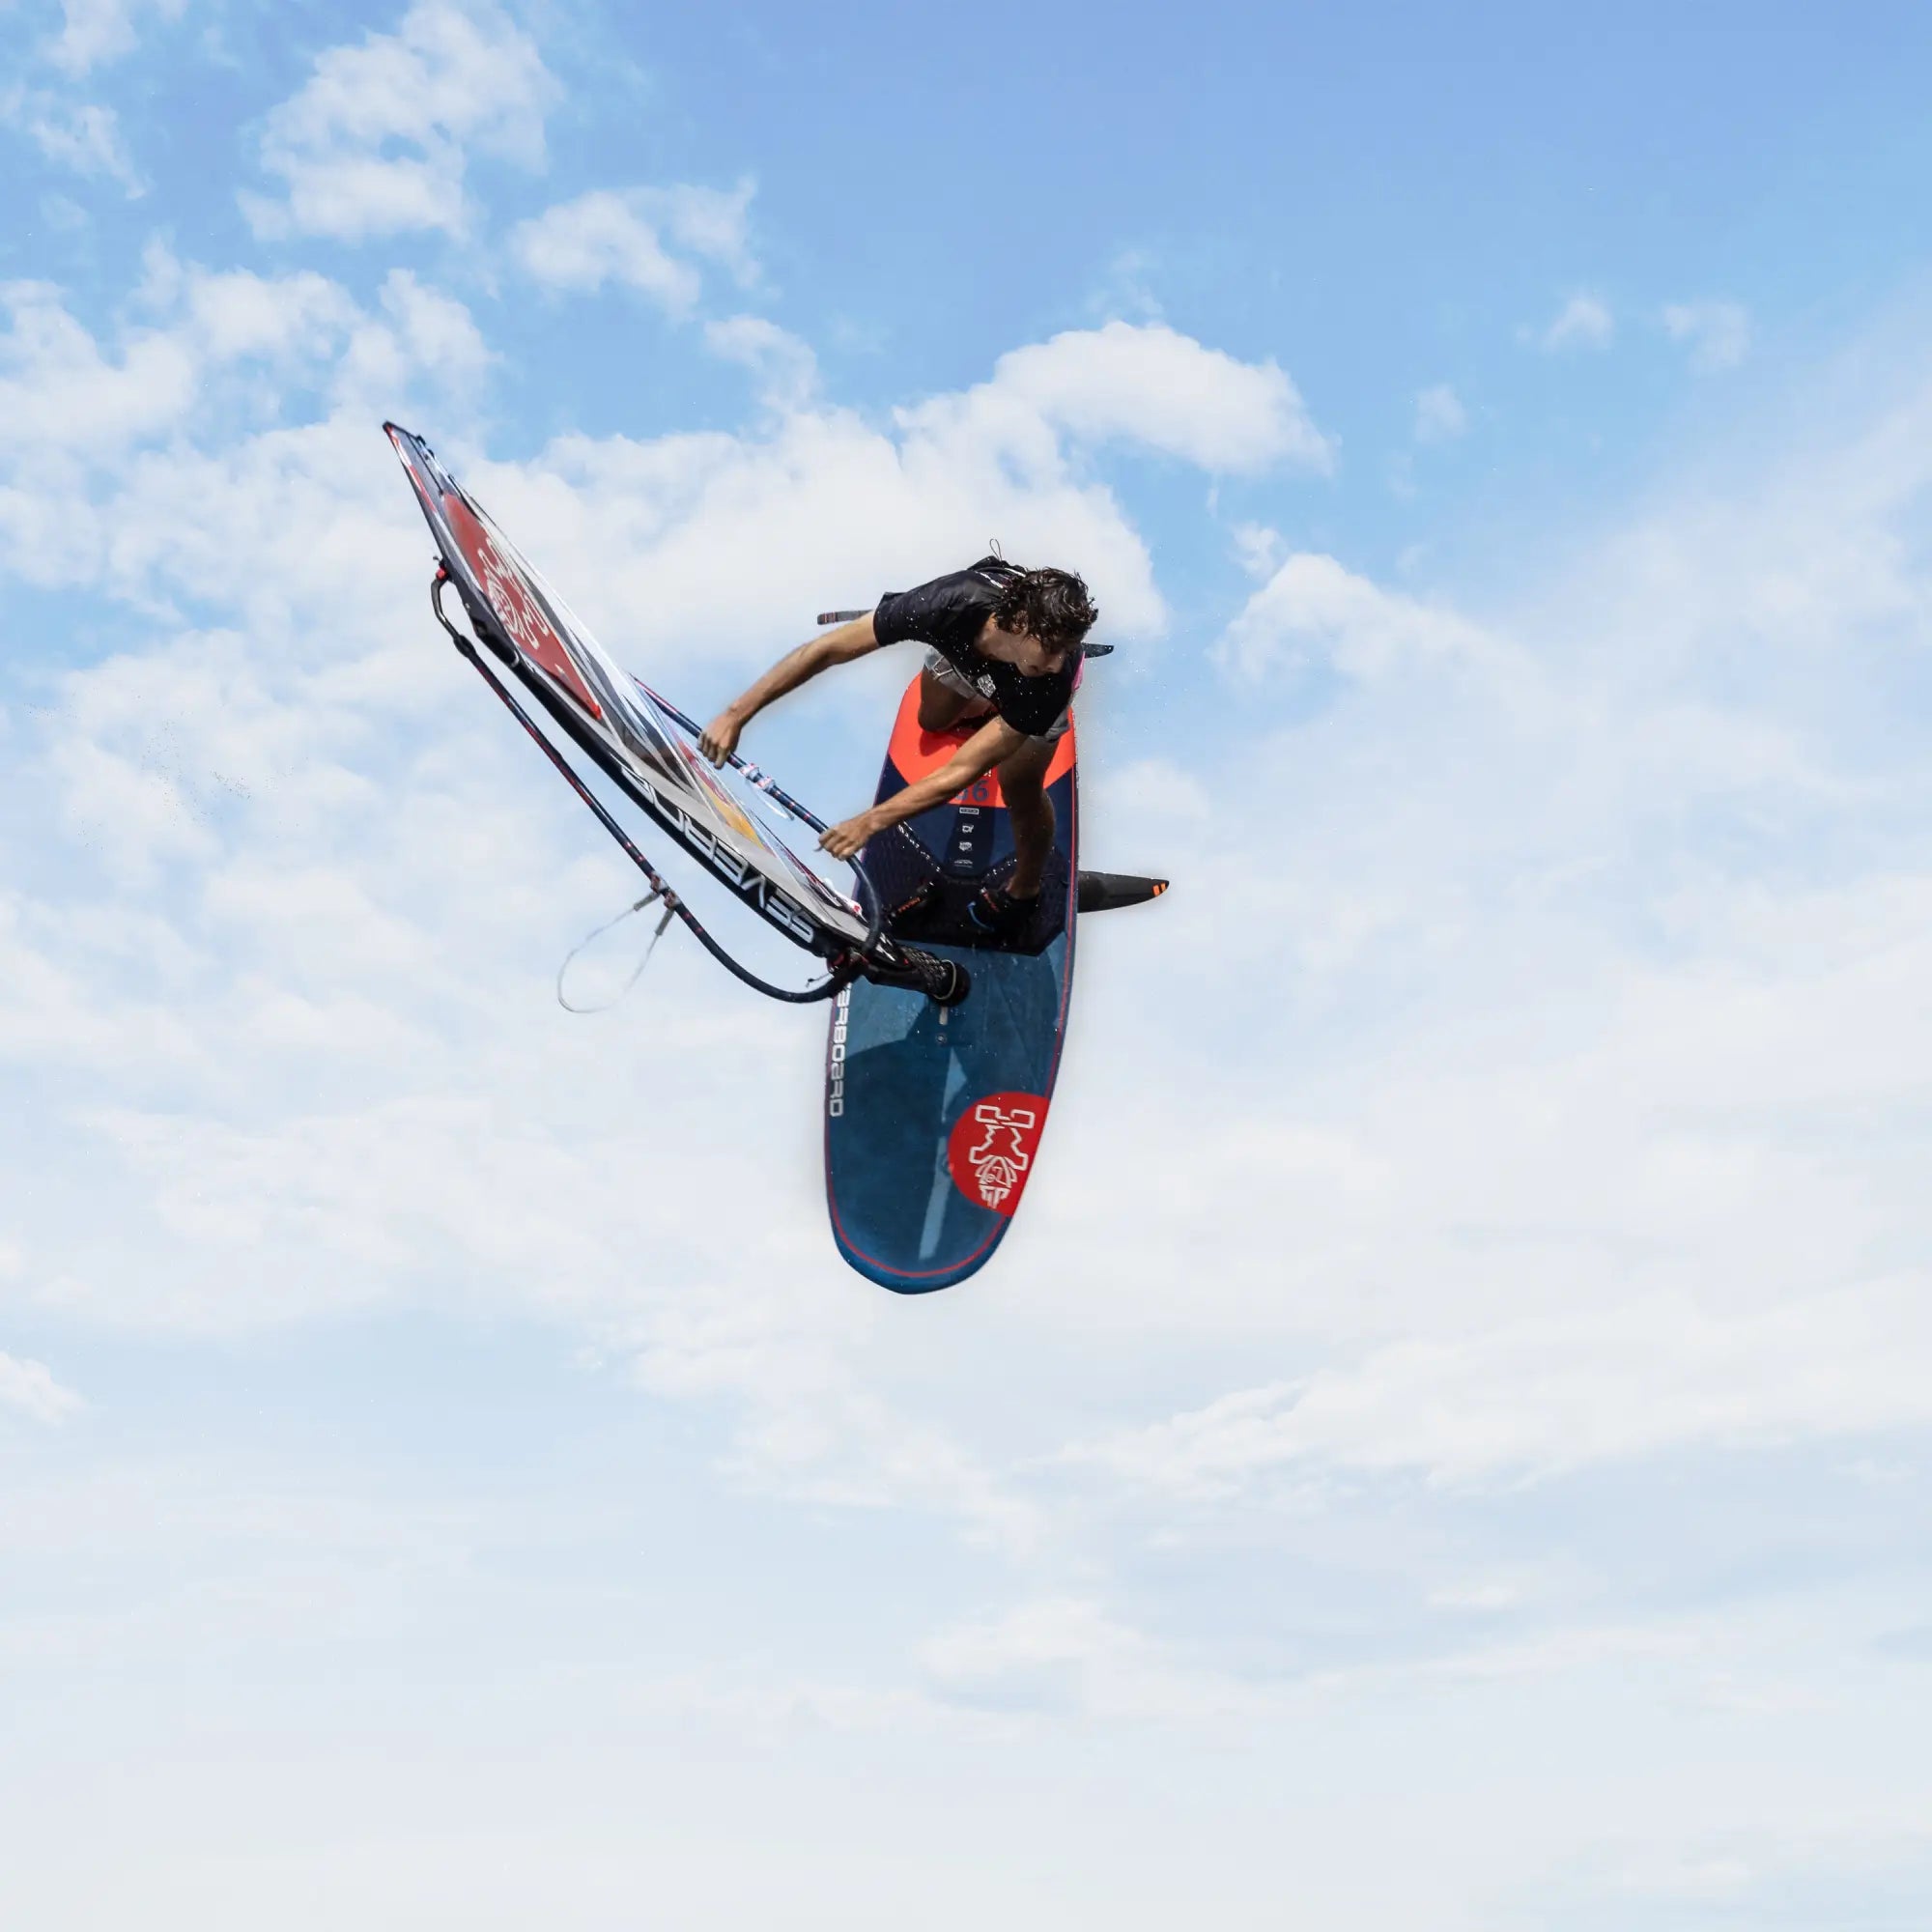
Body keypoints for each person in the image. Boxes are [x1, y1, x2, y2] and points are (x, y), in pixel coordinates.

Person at [699, 556, 1098, 933]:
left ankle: (1025, 889)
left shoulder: (1050, 680)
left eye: (1066, 650)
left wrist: (871, 821)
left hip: (1027, 698)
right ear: (1021, 622)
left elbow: (962, 770)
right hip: (964, 657)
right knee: (931, 721)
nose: (1055, 661)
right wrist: (736, 714)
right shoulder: (948, 603)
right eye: (1051, 648)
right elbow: (826, 650)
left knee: (1020, 785)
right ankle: (988, 701)